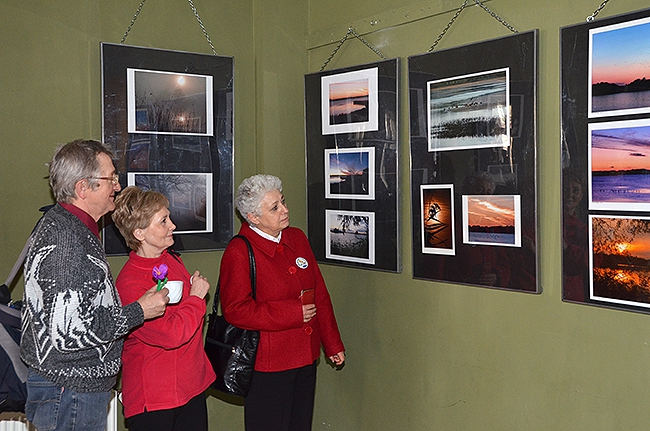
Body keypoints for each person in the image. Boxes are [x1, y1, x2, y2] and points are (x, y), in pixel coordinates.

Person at [20, 139, 169, 431]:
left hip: (72, 390)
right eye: (110, 178)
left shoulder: (70, 228)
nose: (117, 185)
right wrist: (140, 310)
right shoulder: (65, 240)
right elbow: (70, 332)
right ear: (82, 188)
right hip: (70, 391)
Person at [220, 174, 345, 431]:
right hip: (269, 364)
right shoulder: (240, 251)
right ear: (253, 218)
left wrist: (332, 343)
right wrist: (291, 313)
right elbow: (235, 310)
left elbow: (319, 292)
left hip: (306, 357)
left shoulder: (297, 238)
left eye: (283, 201)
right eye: (275, 207)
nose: (285, 210)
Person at [112, 186, 216, 431]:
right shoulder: (130, 282)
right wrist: (197, 298)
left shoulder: (170, 259)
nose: (173, 226)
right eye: (163, 221)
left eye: (168, 217)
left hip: (189, 387)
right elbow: (171, 334)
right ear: (140, 233)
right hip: (156, 397)